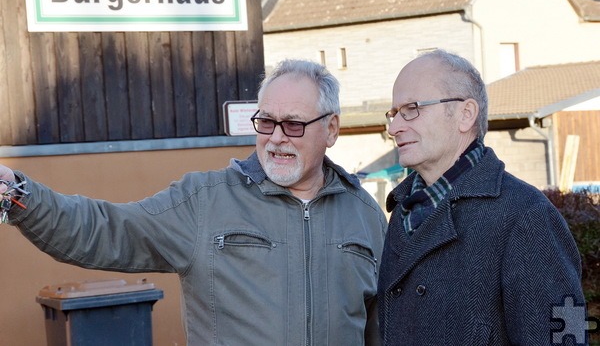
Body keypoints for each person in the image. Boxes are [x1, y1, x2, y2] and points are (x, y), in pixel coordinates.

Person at [0, 59, 387, 345]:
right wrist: (20, 194)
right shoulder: (205, 202)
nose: (276, 138)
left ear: (331, 129)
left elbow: (381, 328)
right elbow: (106, 230)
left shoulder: (365, 216)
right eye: (266, 122)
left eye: (294, 124)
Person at [377, 49, 584, 345]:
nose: (394, 127)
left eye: (412, 108)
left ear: (465, 114)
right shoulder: (404, 211)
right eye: (394, 113)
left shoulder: (525, 216)